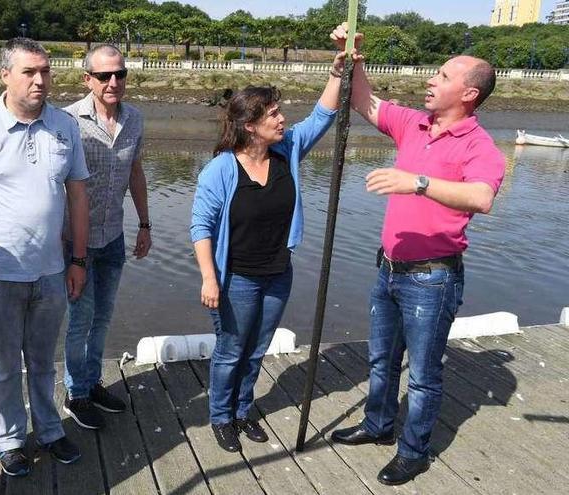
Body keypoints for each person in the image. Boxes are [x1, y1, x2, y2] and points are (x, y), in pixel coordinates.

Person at [328, 24, 506, 486]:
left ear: (467, 93)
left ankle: (414, 451)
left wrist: (418, 183)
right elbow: (364, 102)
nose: (431, 80)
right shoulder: (414, 123)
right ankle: (378, 426)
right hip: (388, 268)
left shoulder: (479, 147)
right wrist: (356, 57)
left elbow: (482, 197)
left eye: (442, 76)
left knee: (424, 375)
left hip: (433, 278)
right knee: (381, 360)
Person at [190, 46, 348, 453]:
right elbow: (201, 227)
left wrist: (337, 72)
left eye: (280, 112)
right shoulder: (221, 169)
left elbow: (322, 117)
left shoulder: (287, 151)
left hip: (279, 272)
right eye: (273, 113)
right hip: (236, 277)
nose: (282, 119)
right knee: (230, 350)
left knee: (258, 348)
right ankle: (221, 416)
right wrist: (209, 277)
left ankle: (244, 410)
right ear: (250, 124)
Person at [0, 38, 90, 477]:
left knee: (45, 362)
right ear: (4, 74)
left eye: (45, 71)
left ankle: (49, 429)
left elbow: (78, 196)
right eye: (29, 72)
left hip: (51, 271)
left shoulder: (65, 126)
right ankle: (9, 439)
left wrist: (78, 259)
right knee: (6, 366)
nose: (40, 80)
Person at [61, 44, 150, 430]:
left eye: (120, 74)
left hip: (112, 234)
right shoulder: (67, 121)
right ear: (87, 80)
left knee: (102, 317)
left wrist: (145, 224)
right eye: (104, 76)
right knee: (79, 320)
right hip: (73, 241)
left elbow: (135, 173)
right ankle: (74, 393)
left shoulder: (134, 119)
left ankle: (91, 382)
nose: (114, 82)